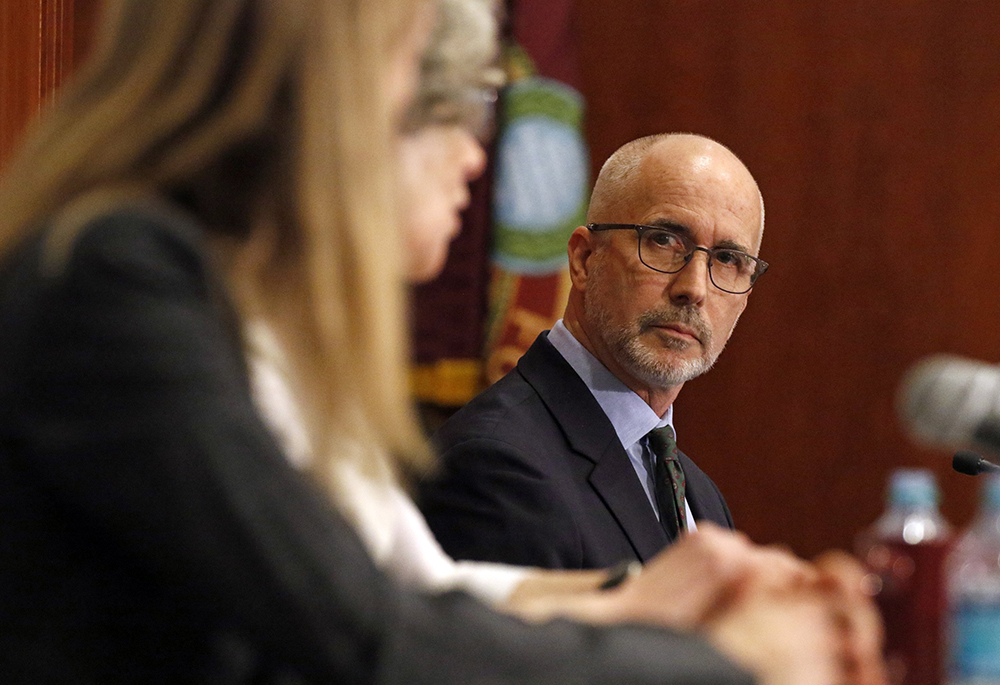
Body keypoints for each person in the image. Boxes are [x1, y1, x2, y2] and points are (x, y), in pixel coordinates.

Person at [0, 0, 881, 684]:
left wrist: (665, 600)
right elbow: (368, 636)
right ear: (333, 97)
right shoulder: (118, 280)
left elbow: (415, 585)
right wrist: (733, 663)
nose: (476, 153)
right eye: (439, 99)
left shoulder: (247, 324)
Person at [420, 133, 766, 569]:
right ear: (584, 259)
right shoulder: (496, 465)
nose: (694, 288)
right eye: (663, 240)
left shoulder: (702, 498)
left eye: (728, 260)